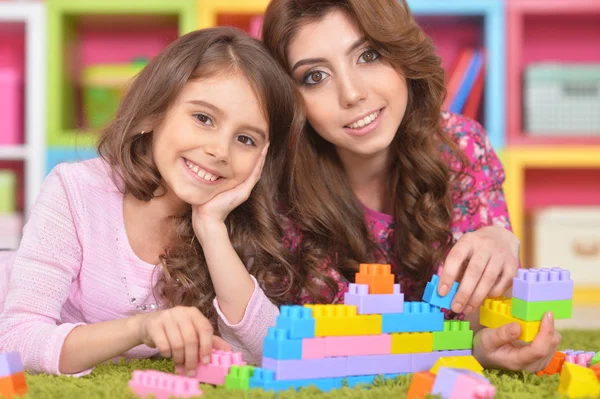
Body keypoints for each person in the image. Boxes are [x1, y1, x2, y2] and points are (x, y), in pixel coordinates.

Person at [260, 0, 560, 372]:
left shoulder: (462, 147)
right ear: (291, 98)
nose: (352, 94)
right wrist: (465, 351)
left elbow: (485, 314)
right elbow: (327, 345)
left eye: (368, 55)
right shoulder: (280, 191)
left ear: (401, 53)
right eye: (315, 77)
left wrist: (501, 242)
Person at [0, 27, 302, 376]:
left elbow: (272, 353)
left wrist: (210, 229)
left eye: (246, 139)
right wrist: (142, 329)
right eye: (203, 118)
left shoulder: (231, 223)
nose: (220, 151)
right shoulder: (75, 190)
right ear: (152, 114)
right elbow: (17, 340)